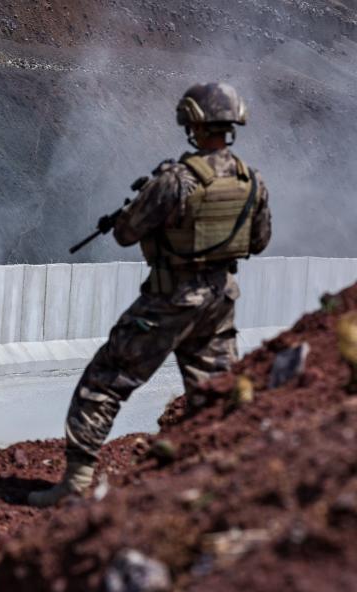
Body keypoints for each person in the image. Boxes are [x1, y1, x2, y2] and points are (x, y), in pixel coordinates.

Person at [29, 82, 272, 507]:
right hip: (220, 301)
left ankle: (75, 484)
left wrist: (146, 206)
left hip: (170, 298)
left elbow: (126, 234)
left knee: (105, 380)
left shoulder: (176, 181)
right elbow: (259, 241)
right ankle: (224, 489)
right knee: (215, 394)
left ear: (194, 124)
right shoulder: (252, 181)